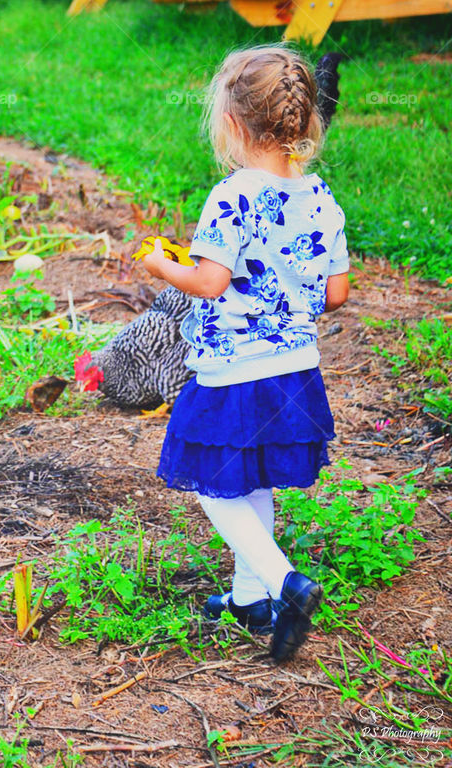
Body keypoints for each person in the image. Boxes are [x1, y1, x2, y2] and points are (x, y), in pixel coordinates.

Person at [142, 45, 350, 662]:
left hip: (234, 369)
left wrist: (161, 263)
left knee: (213, 484)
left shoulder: (233, 196)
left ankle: (285, 583)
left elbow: (209, 281)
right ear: (303, 121)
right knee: (252, 473)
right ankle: (248, 598)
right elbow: (336, 293)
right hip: (295, 371)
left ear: (232, 124)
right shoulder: (322, 198)